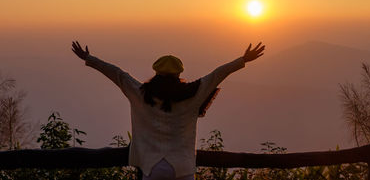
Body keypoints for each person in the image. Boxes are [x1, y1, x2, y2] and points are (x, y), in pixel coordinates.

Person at [71, 41, 265, 180]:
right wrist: (243, 60)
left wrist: (89, 58)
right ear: (179, 73)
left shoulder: (140, 93)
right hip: (182, 167)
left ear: (156, 72)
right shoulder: (194, 93)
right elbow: (217, 75)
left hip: (151, 167)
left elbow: (117, 74)